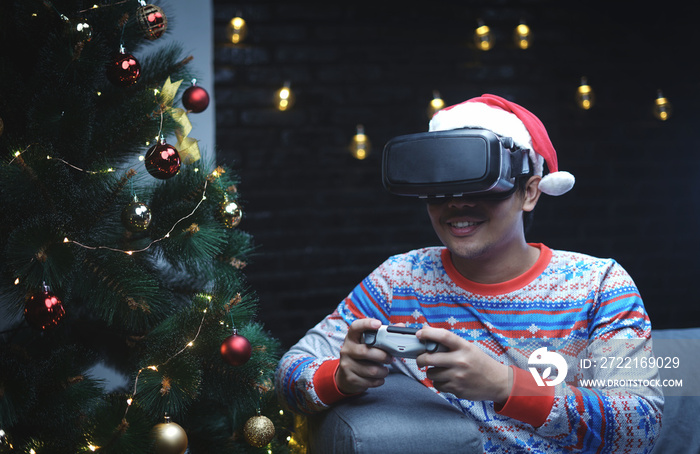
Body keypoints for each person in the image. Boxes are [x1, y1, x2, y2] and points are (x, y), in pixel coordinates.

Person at [275, 94, 663, 452]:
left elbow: (640, 426)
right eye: (441, 189)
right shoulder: (400, 280)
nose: (458, 204)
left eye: (481, 186)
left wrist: (505, 385)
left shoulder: (600, 285)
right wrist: (339, 378)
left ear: (529, 191)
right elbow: (289, 373)